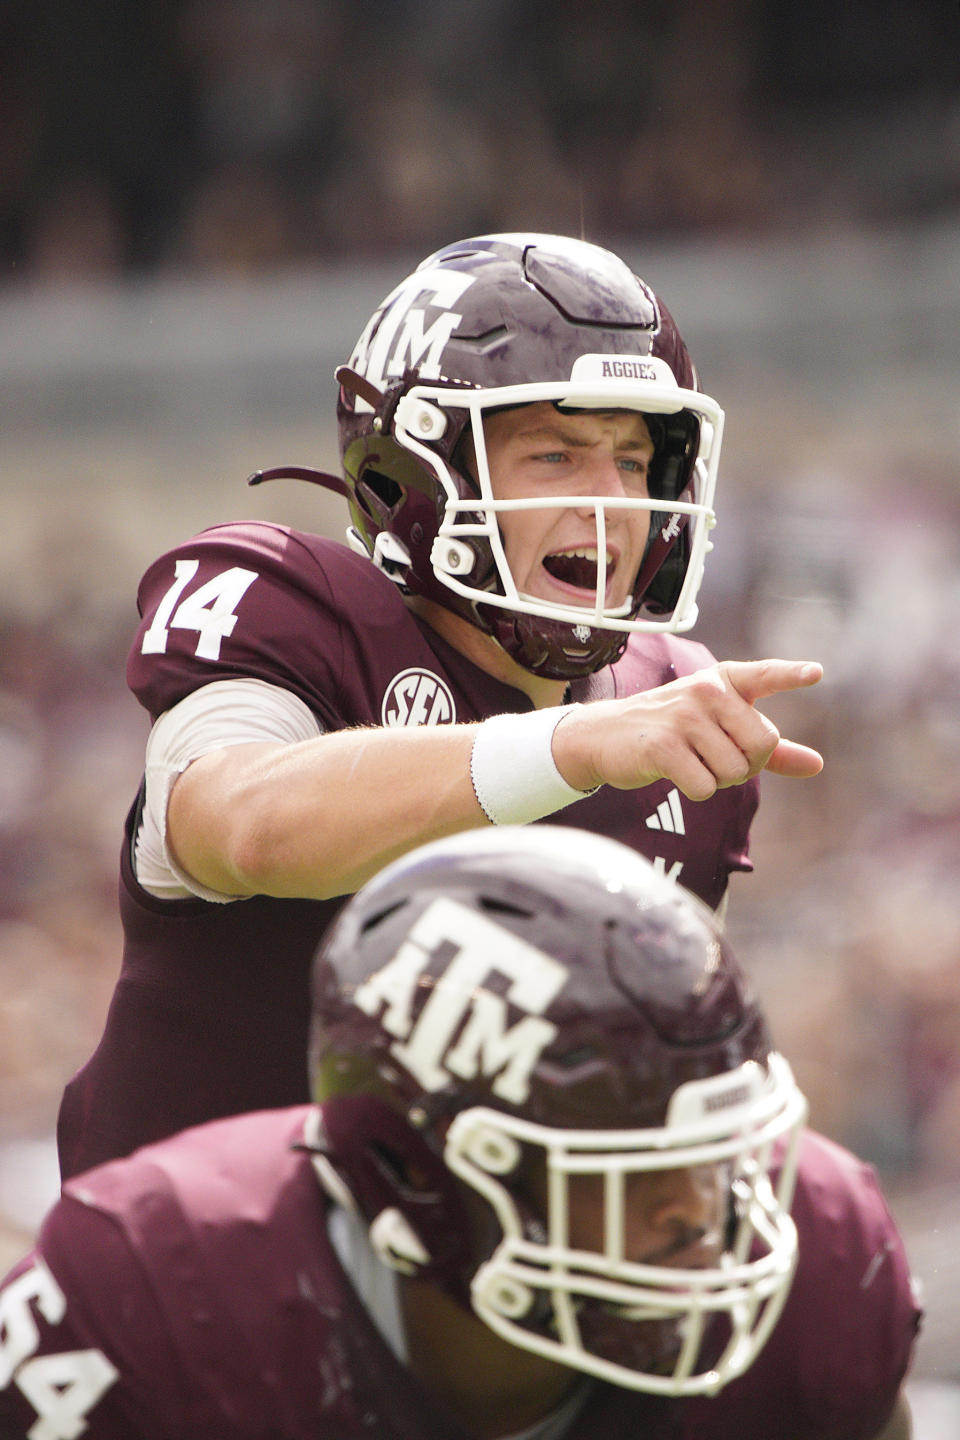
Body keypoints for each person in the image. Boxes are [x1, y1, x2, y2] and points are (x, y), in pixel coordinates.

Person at [57, 231, 825, 1181]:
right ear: (413, 472)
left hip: (470, 1306)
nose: (613, 504)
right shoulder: (292, 605)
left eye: (634, 462)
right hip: (195, 1298)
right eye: (556, 454)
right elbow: (240, 824)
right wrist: (567, 747)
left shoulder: (670, 708)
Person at [3, 829, 918, 1439]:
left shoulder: (821, 1274)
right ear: (415, 1174)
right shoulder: (153, 1294)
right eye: (630, 1171)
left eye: (715, 1156)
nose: (702, 1217)